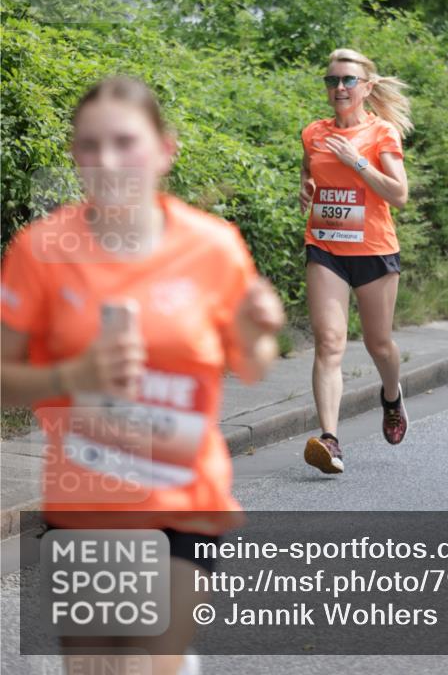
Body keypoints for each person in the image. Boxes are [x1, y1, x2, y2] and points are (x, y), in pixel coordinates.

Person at [0, 75, 284, 675]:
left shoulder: (213, 246)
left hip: (183, 500)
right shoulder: (40, 250)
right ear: (75, 154)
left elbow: (252, 366)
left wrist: (262, 330)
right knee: (94, 670)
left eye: (125, 142)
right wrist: (74, 375)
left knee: (143, 661)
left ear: (164, 150)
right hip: (86, 504)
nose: (107, 161)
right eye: (90, 145)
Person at [299, 48, 413, 474]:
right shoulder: (313, 132)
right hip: (326, 247)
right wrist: (307, 187)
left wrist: (358, 162)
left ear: (366, 87)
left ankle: (390, 395)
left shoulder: (381, 133)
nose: (339, 88)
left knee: (377, 344)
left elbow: (398, 195)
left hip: (373, 250)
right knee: (329, 342)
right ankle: (330, 439)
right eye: (332, 81)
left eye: (348, 80)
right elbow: (309, 170)